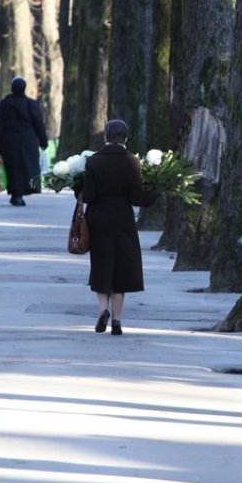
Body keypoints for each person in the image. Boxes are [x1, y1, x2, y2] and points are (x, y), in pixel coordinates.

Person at [82, 119, 158, 335]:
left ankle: (102, 311)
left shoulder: (94, 161)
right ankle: (117, 320)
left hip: (98, 219)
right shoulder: (132, 161)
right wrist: (155, 193)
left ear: (105, 136)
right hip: (123, 219)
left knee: (101, 266)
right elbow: (137, 197)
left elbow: (89, 196)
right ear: (125, 137)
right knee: (120, 268)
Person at [0, 77, 48, 206]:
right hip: (28, 140)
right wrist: (43, 140)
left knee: (13, 168)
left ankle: (16, 194)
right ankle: (20, 194)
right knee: (26, 167)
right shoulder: (32, 104)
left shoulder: (6, 104)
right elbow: (39, 124)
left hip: (9, 140)